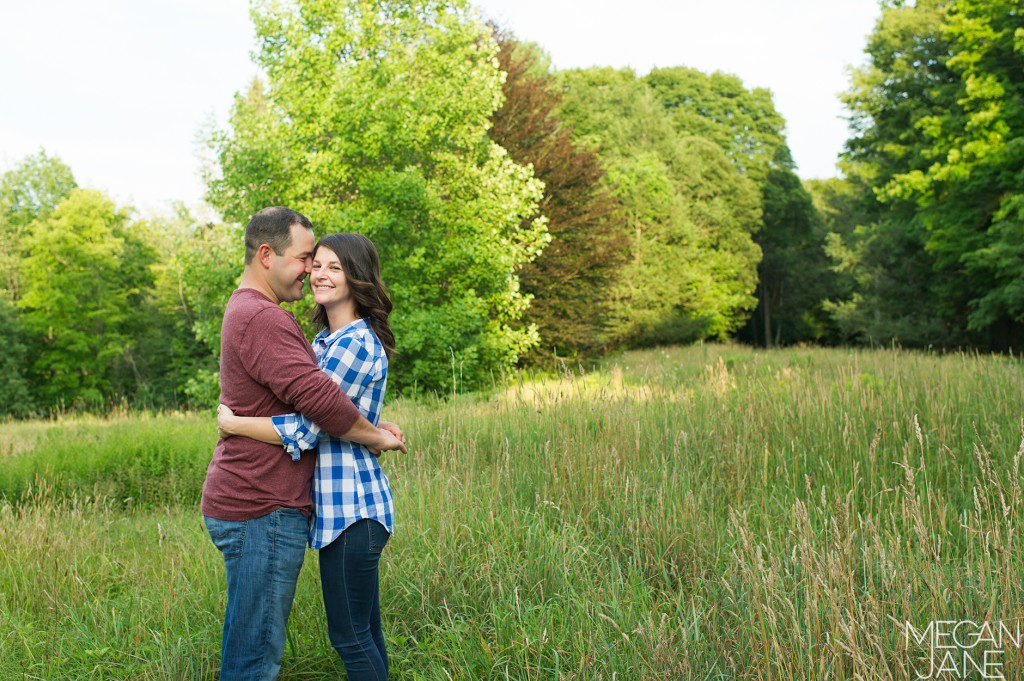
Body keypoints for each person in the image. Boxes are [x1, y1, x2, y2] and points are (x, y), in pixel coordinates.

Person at [201, 208, 405, 681]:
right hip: (286, 506)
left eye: (331, 265)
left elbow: (316, 420)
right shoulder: (305, 334)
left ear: (358, 280)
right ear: (267, 256)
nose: (315, 272)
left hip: (349, 508)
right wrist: (371, 429)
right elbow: (326, 407)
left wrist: (237, 424)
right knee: (336, 637)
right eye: (311, 261)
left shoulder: (345, 341)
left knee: (352, 637)